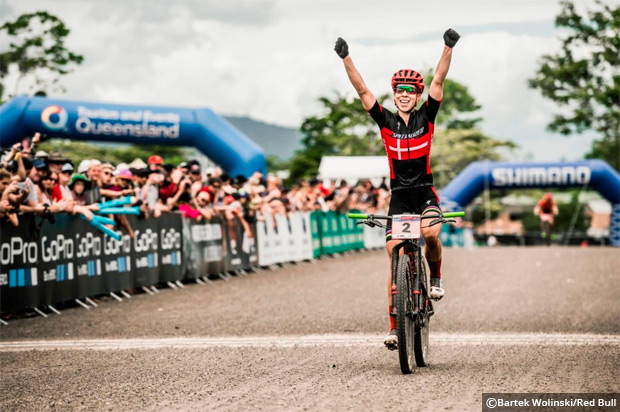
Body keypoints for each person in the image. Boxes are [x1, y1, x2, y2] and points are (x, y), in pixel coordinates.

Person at [334, 28, 460, 348]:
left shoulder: (426, 116)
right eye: (399, 90)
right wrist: (346, 57)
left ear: (417, 95)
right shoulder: (386, 120)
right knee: (394, 256)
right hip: (400, 199)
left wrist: (447, 47)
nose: (404, 95)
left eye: (410, 90)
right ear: (394, 94)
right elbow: (361, 88)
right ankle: (394, 327)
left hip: (425, 193)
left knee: (431, 234)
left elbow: (439, 81)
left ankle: (437, 277)